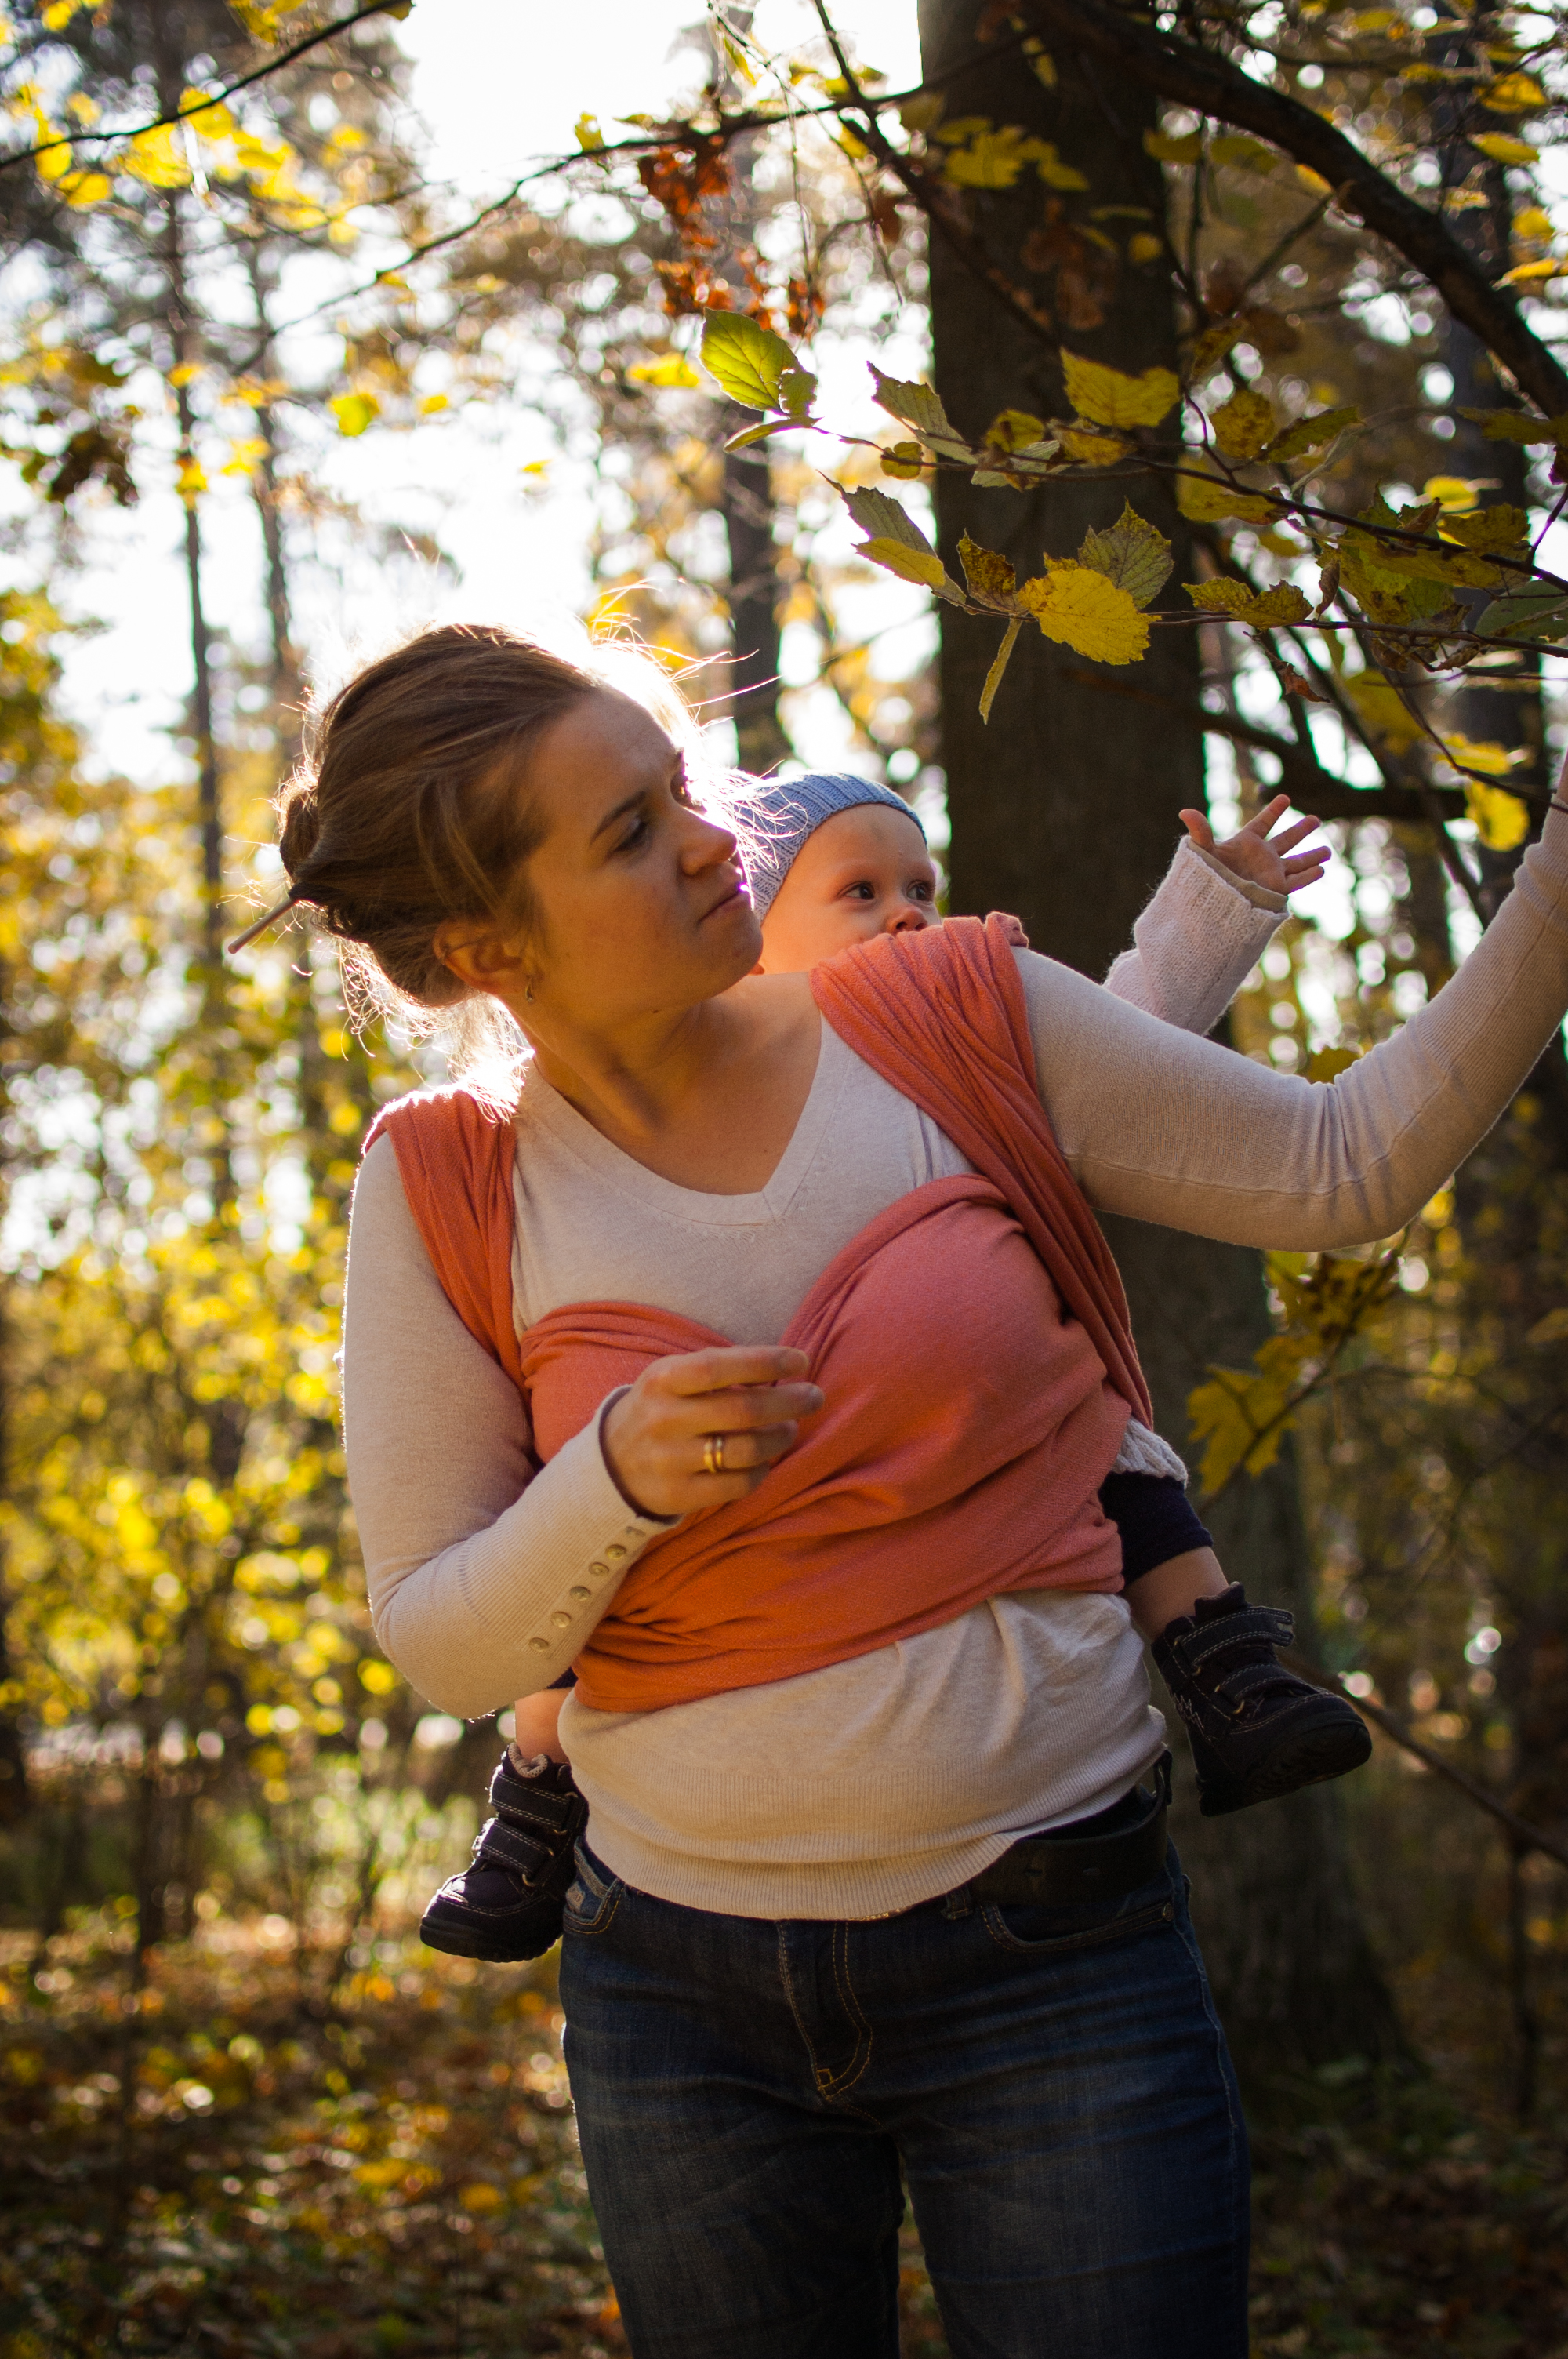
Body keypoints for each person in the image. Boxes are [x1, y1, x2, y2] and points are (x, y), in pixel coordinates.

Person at [271, 622, 1568, 2359]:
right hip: (679, 2008)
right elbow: (440, 1637)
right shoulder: (445, 1186)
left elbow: (1345, 1165)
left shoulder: (954, 1015)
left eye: (679, 790)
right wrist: (610, 1481)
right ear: (486, 943)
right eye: (629, 834)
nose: (711, 842)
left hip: (1059, 1958)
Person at [416, 771, 1367, 1967]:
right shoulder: (675, 1098)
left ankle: (1225, 1671)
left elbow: (1135, 1024)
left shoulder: (948, 1054)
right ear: (747, 939)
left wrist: (1213, 904)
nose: (908, 913)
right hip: (714, 1492)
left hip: (984, 1438)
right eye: (859, 890)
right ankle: (538, 1802)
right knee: (580, 1548)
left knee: (1114, 1455)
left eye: (922, 886)